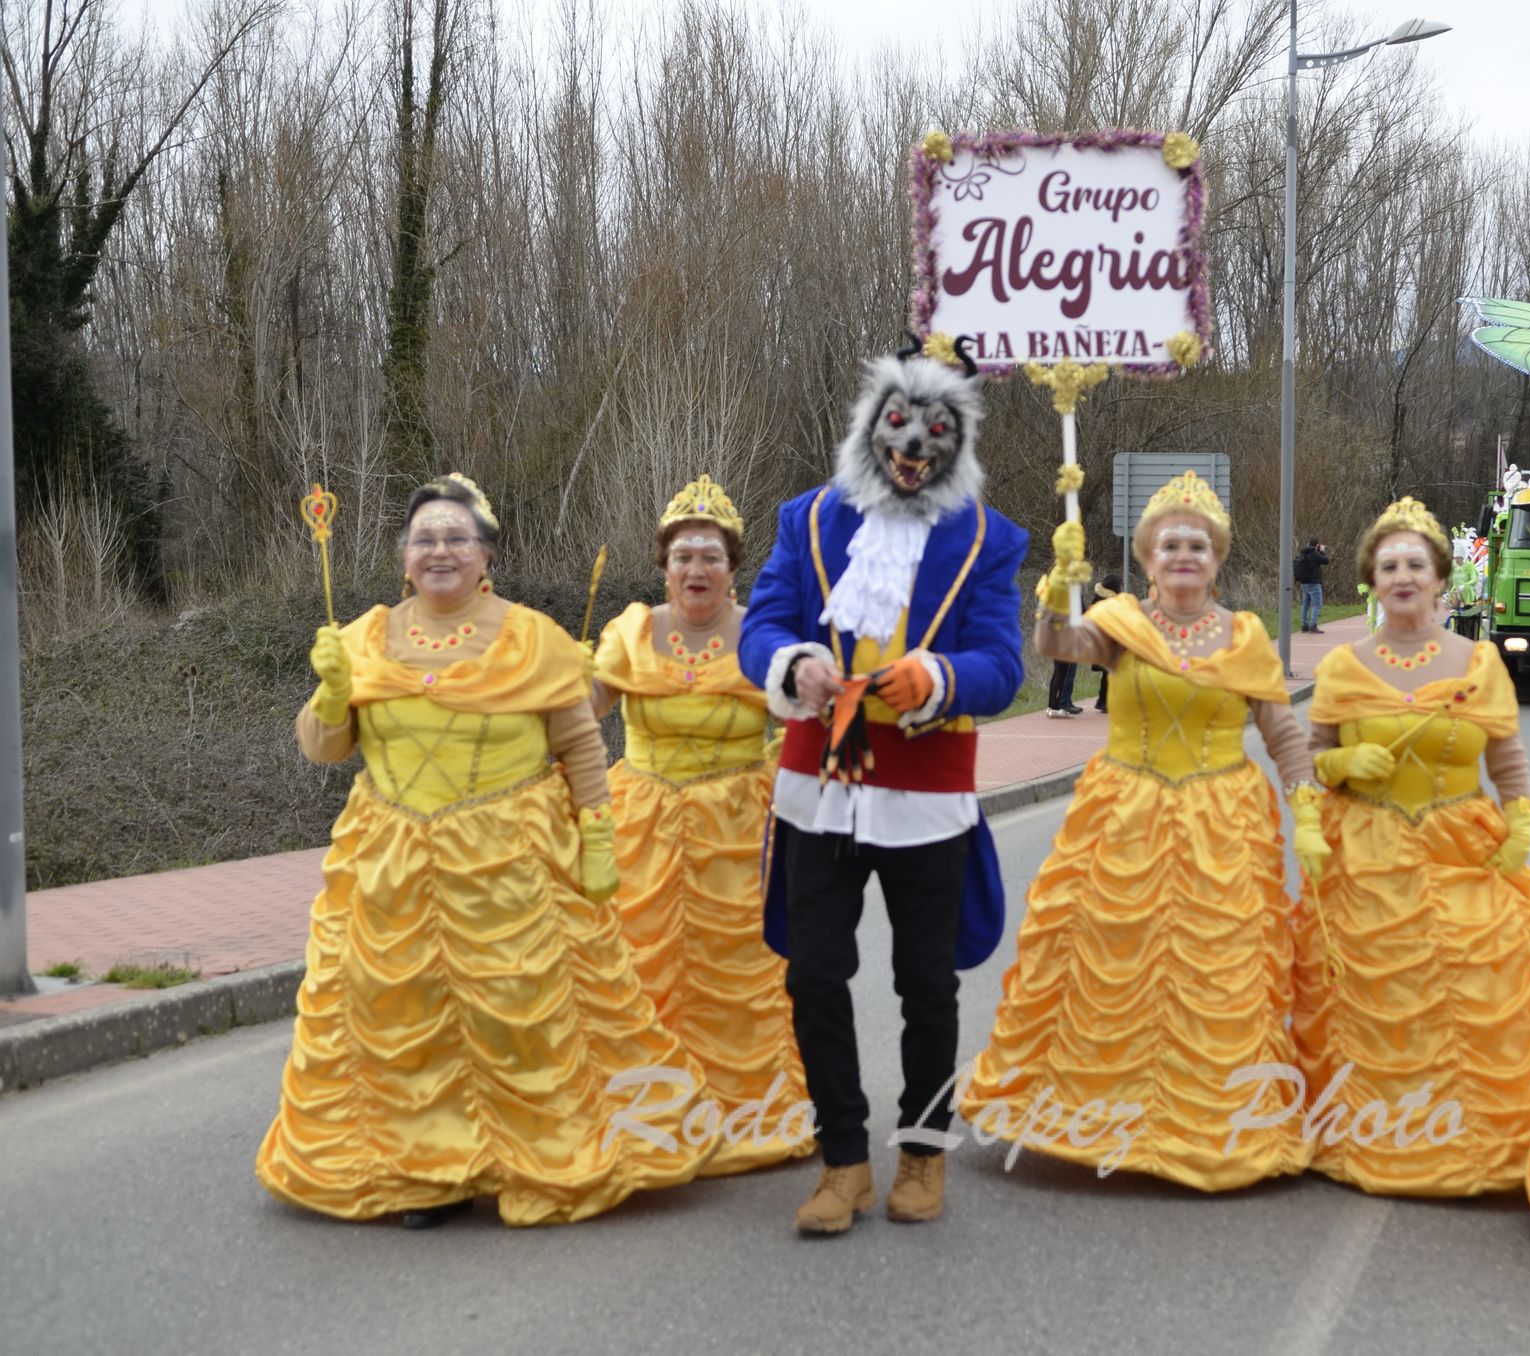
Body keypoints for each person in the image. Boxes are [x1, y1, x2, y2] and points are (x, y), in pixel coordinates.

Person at [257, 473, 719, 1228]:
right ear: (403, 557)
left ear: (485, 555)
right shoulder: (361, 636)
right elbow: (324, 748)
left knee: (520, 1013)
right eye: (424, 538)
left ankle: (534, 1153)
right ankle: (428, 1171)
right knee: (401, 1015)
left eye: (456, 538)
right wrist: (332, 696)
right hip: (391, 863)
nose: (439, 550)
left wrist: (596, 837)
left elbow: (577, 743)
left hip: (509, 861)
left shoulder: (532, 636)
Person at [959, 470, 1322, 1189]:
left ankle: (1211, 1121)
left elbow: (1282, 734)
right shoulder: (1122, 625)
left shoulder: (1246, 639)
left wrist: (1305, 805)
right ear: (1148, 559)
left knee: (1216, 973)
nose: (1183, 554)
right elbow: (1056, 645)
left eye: (1196, 544)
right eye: (1168, 545)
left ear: (1216, 558)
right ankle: (1095, 1113)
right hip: (1125, 820)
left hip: (1224, 827)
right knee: (1111, 959)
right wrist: (1058, 583)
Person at [739, 340, 1027, 1233]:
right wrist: (794, 664)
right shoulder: (808, 520)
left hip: (924, 794)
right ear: (872, 426)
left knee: (926, 985)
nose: (912, 449)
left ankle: (924, 1153)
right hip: (817, 789)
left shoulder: (991, 538)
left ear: (958, 440)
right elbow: (765, 626)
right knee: (815, 978)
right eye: (898, 426)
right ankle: (843, 1161)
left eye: (934, 433)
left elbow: (1000, 664)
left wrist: (939, 678)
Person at [1292, 497, 1530, 1196]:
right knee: (1373, 992)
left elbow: (1508, 757)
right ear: (1370, 582)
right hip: (1365, 848)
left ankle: (1472, 1136)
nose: (1402, 575)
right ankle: (1368, 1129)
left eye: (1416, 564)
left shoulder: (1480, 660)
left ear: (1441, 579)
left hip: (1460, 846)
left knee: (1473, 986)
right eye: (1388, 565)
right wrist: (1343, 768)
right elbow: (1313, 756)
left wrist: (1521, 821)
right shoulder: (1345, 665)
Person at [589, 475, 813, 1177]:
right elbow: (574, 716)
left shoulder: (763, 637)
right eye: (684, 555)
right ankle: (645, 1110)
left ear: (732, 567)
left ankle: (749, 1110)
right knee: (638, 968)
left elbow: (807, 721)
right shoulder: (628, 634)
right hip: (641, 830)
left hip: (739, 833)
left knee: (745, 971)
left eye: (711, 557)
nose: (697, 569)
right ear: (663, 565)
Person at [1088, 572, 1123, 712]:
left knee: (1107, 672)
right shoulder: (1110, 601)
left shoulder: (1098, 598)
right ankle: (1106, 702)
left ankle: (1102, 700)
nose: (1122, 587)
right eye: (1121, 584)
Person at [1296, 537, 1331, 633]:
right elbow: (1326, 560)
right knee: (1316, 604)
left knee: (1305, 604)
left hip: (1304, 583)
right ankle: (1313, 625)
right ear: (1317, 545)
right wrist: (1322, 551)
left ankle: (1304, 625)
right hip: (1314, 583)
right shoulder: (1314, 553)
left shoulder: (1304, 552)